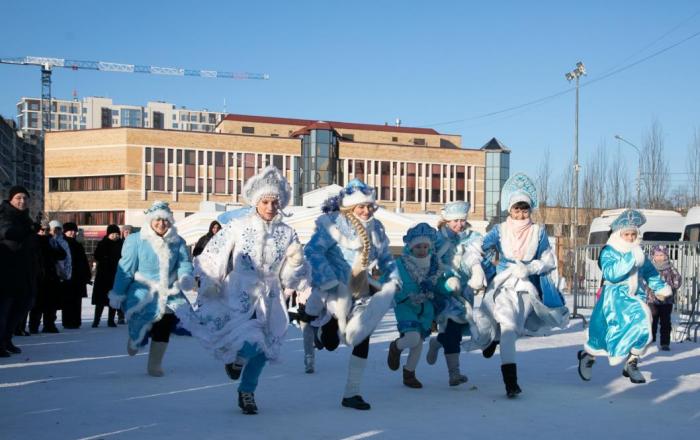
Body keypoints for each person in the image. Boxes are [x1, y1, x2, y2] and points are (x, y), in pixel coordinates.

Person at [178, 166, 307, 415]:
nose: (270, 207)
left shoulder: (287, 232)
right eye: (265, 201)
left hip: (270, 296)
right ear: (256, 202)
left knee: (263, 348)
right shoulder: (238, 226)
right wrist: (211, 281)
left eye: (274, 202)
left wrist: (296, 263)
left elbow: (293, 274)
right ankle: (237, 361)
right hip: (238, 292)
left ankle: (247, 391)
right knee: (249, 340)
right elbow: (214, 253)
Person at [466, 173, 569, 398]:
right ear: (509, 210)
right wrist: (475, 269)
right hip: (503, 283)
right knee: (509, 326)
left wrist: (530, 268)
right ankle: (511, 382)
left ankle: (494, 339)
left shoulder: (538, 231)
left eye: (524, 210)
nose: (520, 214)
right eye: (516, 209)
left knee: (511, 329)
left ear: (530, 210)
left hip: (525, 287)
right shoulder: (500, 230)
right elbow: (476, 248)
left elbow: (548, 260)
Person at [304, 178, 401, 410]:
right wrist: (327, 279)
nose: (366, 211)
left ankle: (352, 392)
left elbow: (386, 256)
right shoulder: (334, 224)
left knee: (362, 336)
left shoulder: (376, 228)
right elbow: (312, 250)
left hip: (362, 289)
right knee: (329, 343)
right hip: (336, 288)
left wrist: (393, 276)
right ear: (350, 207)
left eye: (369, 206)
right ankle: (319, 331)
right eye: (361, 207)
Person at [577, 210, 671, 384]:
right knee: (603, 334)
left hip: (634, 298)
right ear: (618, 234)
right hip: (612, 299)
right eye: (626, 234)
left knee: (642, 326)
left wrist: (661, 288)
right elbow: (611, 273)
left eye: (633, 234)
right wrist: (631, 257)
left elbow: (650, 273)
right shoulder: (609, 251)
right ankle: (588, 357)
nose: (630, 237)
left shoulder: (639, 253)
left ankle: (632, 362)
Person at [108, 201, 194, 377]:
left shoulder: (177, 241)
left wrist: (185, 276)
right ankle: (135, 338)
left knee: (165, 323)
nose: (161, 224)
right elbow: (125, 269)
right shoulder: (135, 240)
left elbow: (184, 263)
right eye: (157, 220)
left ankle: (155, 364)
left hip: (168, 290)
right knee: (142, 320)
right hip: (142, 289)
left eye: (165, 220)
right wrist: (118, 293)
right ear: (150, 220)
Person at [424, 201, 485, 387]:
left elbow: (477, 258)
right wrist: (444, 279)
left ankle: (438, 342)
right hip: (442, 290)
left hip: (464, 291)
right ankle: (454, 373)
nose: (459, 224)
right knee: (452, 327)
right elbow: (429, 263)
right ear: (446, 220)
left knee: (455, 332)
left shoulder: (473, 237)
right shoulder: (436, 238)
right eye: (455, 221)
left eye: (462, 220)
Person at [387, 223, 439, 388]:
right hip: (406, 305)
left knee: (418, 343)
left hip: (426, 308)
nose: (422, 250)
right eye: (418, 246)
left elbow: (440, 283)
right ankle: (395, 347)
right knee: (412, 338)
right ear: (410, 247)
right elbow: (386, 282)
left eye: (425, 246)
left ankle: (409, 373)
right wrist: (397, 292)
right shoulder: (400, 264)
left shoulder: (434, 265)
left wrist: (449, 286)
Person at [0, 186, 38, 357]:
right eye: (18, 198)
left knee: (23, 305)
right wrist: (28, 231)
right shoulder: (5, 214)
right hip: (6, 270)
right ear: (11, 199)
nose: (22, 201)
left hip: (24, 271)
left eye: (25, 198)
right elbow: (8, 233)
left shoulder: (26, 218)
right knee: (4, 309)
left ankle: (7, 339)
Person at [29, 221, 66, 334]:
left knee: (51, 303)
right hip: (38, 276)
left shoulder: (51, 241)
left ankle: (49, 324)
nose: (45, 232)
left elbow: (62, 254)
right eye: (42, 230)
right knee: (37, 304)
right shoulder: (34, 241)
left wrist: (53, 243)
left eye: (47, 230)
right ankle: (34, 326)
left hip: (51, 275)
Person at [646, 244, 681, 351]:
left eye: (661, 255)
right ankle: (650, 341)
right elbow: (644, 281)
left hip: (667, 301)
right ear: (653, 256)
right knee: (652, 320)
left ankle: (665, 342)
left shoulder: (670, 268)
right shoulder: (650, 268)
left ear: (666, 256)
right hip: (653, 300)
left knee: (665, 322)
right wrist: (650, 290)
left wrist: (669, 288)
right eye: (657, 255)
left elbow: (677, 281)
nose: (659, 257)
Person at [91, 224, 123, 327]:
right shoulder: (103, 243)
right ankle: (96, 320)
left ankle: (111, 320)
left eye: (117, 234)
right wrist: (105, 259)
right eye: (112, 234)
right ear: (108, 234)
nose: (115, 236)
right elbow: (96, 255)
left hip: (116, 275)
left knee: (113, 299)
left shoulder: (121, 244)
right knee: (100, 300)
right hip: (103, 276)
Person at [61, 222, 91, 329]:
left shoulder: (78, 245)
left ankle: (76, 321)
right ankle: (68, 321)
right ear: (65, 231)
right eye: (70, 231)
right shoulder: (62, 243)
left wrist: (87, 275)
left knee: (77, 300)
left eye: (74, 231)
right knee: (67, 300)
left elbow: (84, 261)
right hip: (66, 277)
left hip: (78, 277)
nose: (73, 233)